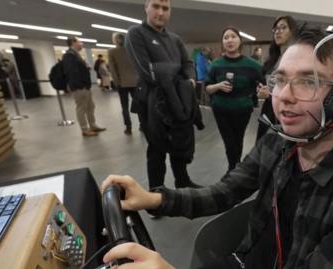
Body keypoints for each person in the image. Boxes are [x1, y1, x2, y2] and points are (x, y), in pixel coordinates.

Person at [101, 25, 333, 269]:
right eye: (280, 80)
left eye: (308, 82)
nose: (284, 95)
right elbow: (224, 192)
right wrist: (153, 199)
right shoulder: (276, 142)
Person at [125, 0, 202, 189]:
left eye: (165, 8)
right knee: (157, 148)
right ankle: (155, 193)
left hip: (178, 100)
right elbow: (146, 71)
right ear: (146, 7)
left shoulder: (175, 39)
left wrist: (190, 80)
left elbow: (188, 64)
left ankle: (182, 182)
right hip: (151, 102)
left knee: (179, 142)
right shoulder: (136, 34)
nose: (160, 12)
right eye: (156, 6)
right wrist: (176, 72)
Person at [205, 27, 263, 172]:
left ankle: (234, 168)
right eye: (226, 37)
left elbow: (264, 81)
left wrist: (259, 91)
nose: (230, 40)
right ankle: (234, 169)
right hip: (221, 110)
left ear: (240, 40)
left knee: (238, 139)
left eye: (233, 36)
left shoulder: (252, 64)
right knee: (229, 142)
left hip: (243, 109)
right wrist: (218, 85)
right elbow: (207, 88)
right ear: (222, 42)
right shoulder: (216, 64)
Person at [256, 16, 298, 142]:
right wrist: (262, 92)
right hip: (269, 109)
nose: (278, 31)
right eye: (275, 29)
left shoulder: (297, 57)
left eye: (283, 28)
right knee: (263, 148)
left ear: (293, 31)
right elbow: (269, 86)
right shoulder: (272, 59)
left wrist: (269, 94)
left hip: (288, 110)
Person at [62, 37, 106, 137]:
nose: (81, 44)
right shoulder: (69, 55)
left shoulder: (75, 55)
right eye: (79, 42)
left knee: (90, 106)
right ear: (73, 42)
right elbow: (71, 72)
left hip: (85, 86)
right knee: (81, 108)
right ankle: (84, 129)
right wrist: (80, 85)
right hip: (79, 87)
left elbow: (78, 69)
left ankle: (93, 125)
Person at [109, 32, 139, 135]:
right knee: (138, 104)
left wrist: (117, 82)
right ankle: (142, 125)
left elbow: (113, 69)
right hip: (135, 82)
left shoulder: (112, 51)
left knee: (124, 106)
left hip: (122, 83)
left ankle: (128, 128)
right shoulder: (132, 50)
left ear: (115, 40)